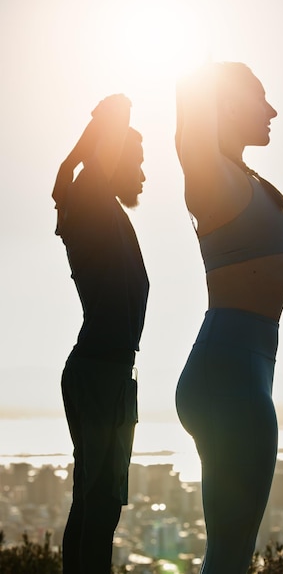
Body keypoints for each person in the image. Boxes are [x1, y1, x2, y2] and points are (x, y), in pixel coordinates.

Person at [175, 62, 283, 574]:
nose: (272, 111)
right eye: (259, 99)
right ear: (224, 104)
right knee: (230, 551)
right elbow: (189, 139)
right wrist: (203, 75)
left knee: (234, 549)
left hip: (242, 371)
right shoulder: (213, 179)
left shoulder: (240, 178)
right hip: (231, 376)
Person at [52, 94, 149, 574]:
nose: (144, 175)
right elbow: (112, 116)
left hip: (107, 373)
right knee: (99, 501)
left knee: (95, 501)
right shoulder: (89, 197)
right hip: (99, 373)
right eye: (138, 161)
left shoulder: (107, 210)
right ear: (112, 156)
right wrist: (119, 111)